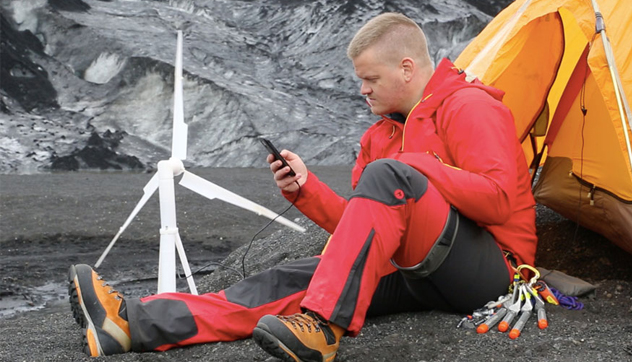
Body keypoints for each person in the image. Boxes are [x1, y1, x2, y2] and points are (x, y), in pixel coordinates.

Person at [68, 12, 537, 361]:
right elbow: (361, 229)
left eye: (370, 79)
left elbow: (497, 201)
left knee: (388, 179)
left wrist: (417, 164)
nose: (363, 90)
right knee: (287, 280)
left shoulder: (469, 107)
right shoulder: (380, 136)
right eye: (360, 80)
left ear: (408, 68)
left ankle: (323, 327)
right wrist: (306, 190)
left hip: (491, 272)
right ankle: (130, 324)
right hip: (413, 268)